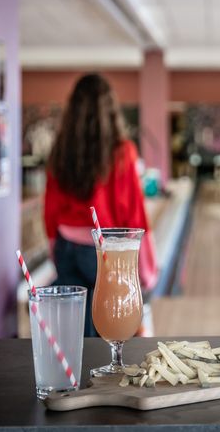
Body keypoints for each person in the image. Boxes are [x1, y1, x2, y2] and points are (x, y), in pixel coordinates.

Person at [44, 74, 157, 337]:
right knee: (109, 329)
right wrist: (145, 265)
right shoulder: (121, 151)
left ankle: (79, 376)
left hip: (66, 248)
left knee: (75, 332)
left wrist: (54, 249)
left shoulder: (60, 150)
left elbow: (50, 209)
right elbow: (133, 210)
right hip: (106, 253)